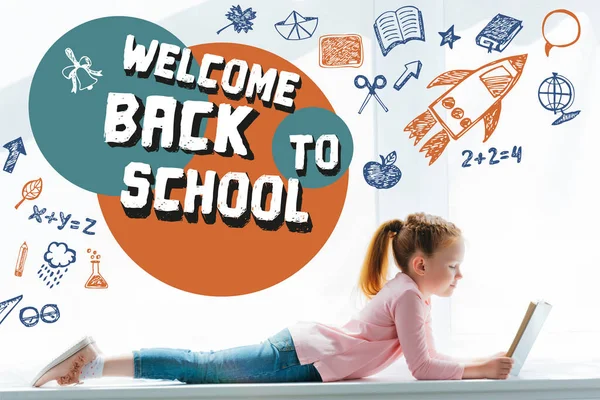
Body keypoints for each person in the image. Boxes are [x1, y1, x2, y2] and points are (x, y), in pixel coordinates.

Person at [32, 212, 513, 387]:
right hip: (299, 357)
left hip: (304, 353)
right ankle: (92, 364)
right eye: (452, 266)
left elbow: (422, 361)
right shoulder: (409, 296)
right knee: (200, 368)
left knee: (202, 368)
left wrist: (481, 366)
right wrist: (482, 367)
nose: (459, 275)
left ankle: (92, 366)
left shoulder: (410, 294)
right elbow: (423, 368)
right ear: (421, 265)